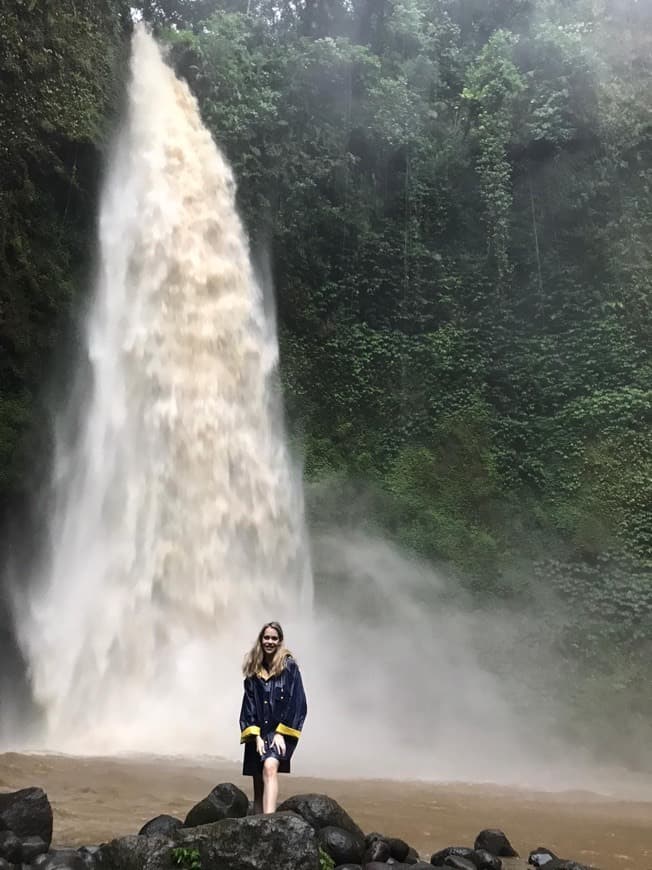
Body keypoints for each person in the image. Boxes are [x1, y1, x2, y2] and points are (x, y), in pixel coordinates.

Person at [239, 621, 307, 814]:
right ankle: (258, 823)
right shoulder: (254, 670)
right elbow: (248, 704)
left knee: (269, 767)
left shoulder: (289, 667)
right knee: (257, 781)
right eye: (266, 637)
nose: (270, 641)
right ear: (261, 640)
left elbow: (298, 702)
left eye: (274, 638)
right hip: (258, 731)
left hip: (280, 731)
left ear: (280, 641)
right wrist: (256, 736)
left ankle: (269, 822)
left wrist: (280, 732)